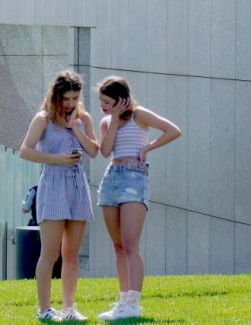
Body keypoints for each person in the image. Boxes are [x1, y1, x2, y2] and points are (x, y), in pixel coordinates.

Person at [94, 76, 181, 320]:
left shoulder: (139, 114)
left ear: (122, 100)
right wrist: (111, 120)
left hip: (135, 178)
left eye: (107, 102)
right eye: (101, 101)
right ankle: (123, 302)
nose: (103, 106)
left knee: (131, 244)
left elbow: (173, 130)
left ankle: (134, 304)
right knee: (118, 246)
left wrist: (147, 148)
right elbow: (105, 151)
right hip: (111, 179)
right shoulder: (105, 122)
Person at [19, 70, 99, 321]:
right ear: (56, 96)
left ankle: (69, 308)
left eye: (75, 98)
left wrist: (76, 128)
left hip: (77, 185)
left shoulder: (83, 118)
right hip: (52, 185)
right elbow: (25, 151)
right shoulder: (42, 119)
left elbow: (95, 151)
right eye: (66, 99)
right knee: (50, 254)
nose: (71, 103)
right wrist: (57, 159)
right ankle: (44, 310)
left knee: (72, 254)